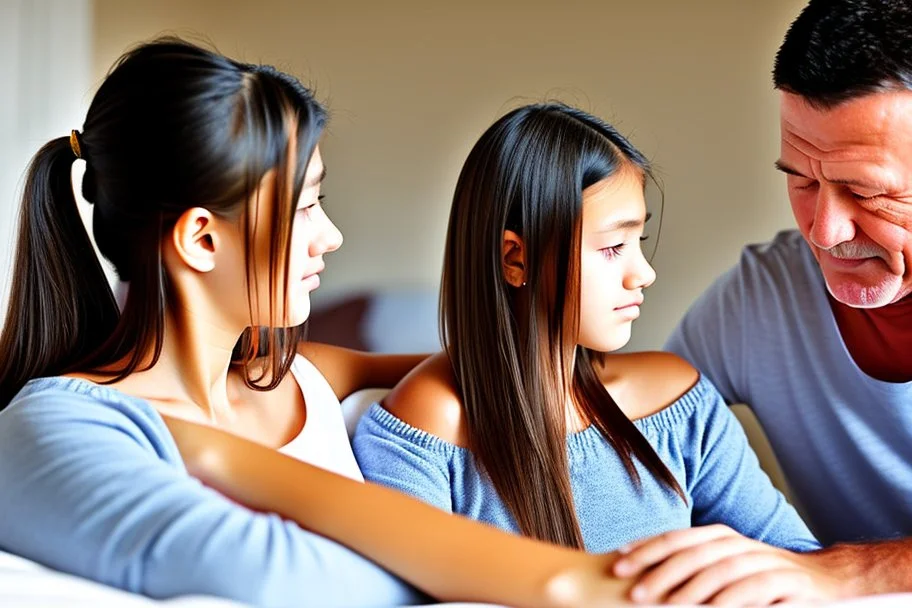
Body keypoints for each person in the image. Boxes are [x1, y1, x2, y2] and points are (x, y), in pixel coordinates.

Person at [0, 37, 634, 607]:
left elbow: (495, 369)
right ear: (200, 238)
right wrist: (562, 579)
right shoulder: (58, 421)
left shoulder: (296, 376)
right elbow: (279, 579)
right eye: (305, 207)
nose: (329, 237)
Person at [351, 103, 818, 563]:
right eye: (614, 246)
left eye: (639, 241)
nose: (644, 274)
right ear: (516, 259)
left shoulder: (677, 402)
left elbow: (797, 564)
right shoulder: (426, 426)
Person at [611, 0, 912, 604]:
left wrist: (848, 571)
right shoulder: (761, 300)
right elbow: (607, 427)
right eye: (801, 180)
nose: (823, 233)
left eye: (866, 192)